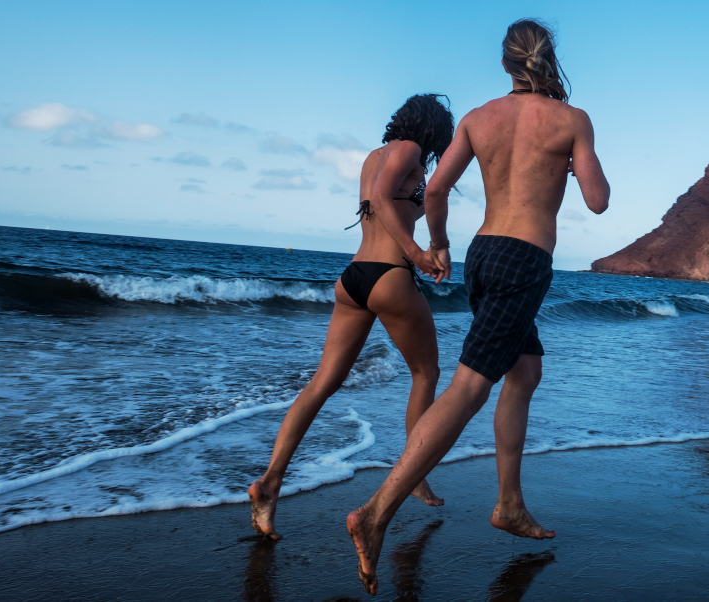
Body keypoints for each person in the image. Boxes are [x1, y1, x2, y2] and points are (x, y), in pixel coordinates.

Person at [346, 19, 610, 595]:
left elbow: (435, 190)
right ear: (548, 59)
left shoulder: (477, 118)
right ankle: (376, 512)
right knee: (469, 387)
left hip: (484, 256)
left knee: (525, 369)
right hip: (525, 259)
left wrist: (438, 243)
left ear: (505, 64)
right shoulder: (572, 120)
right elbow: (598, 201)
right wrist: (573, 163)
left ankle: (509, 503)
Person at [248, 94, 455, 540]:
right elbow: (382, 200)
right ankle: (414, 474)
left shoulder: (375, 156)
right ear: (433, 129)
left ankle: (269, 482)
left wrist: (432, 217)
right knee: (426, 373)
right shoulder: (409, 150)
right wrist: (418, 252)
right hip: (389, 276)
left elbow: (389, 204)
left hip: (354, 278)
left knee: (322, 381)